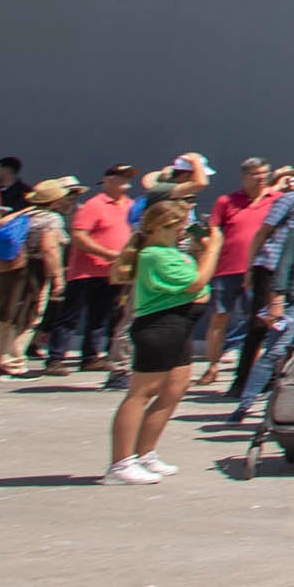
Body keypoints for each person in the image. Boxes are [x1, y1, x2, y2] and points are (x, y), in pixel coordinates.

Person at [104, 198, 218, 483]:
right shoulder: (153, 254)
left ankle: (145, 454)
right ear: (159, 227)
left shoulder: (174, 253)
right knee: (142, 393)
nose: (182, 232)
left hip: (180, 326)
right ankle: (120, 464)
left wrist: (202, 250)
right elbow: (196, 283)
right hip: (159, 327)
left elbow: (195, 281)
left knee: (175, 389)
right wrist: (214, 250)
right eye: (177, 226)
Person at [0, 181, 72, 380]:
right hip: (33, 270)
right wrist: (58, 276)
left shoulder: (24, 214)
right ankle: (14, 363)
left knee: (4, 315)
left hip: (11, 267)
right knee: (28, 315)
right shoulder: (50, 219)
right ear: (55, 200)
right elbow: (49, 248)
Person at [54, 163, 139, 372]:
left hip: (112, 272)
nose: (127, 181)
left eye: (128, 177)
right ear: (108, 181)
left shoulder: (130, 205)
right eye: (122, 177)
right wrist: (108, 253)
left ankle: (91, 357)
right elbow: (79, 237)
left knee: (101, 315)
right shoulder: (94, 205)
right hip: (86, 271)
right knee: (71, 316)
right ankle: (56, 358)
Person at [198, 160, 278, 382]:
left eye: (264, 173)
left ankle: (251, 370)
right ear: (244, 177)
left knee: (259, 321)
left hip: (261, 270)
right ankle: (212, 366)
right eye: (255, 174)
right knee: (219, 317)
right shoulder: (227, 201)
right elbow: (214, 230)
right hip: (228, 267)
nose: (261, 177)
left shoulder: (277, 200)